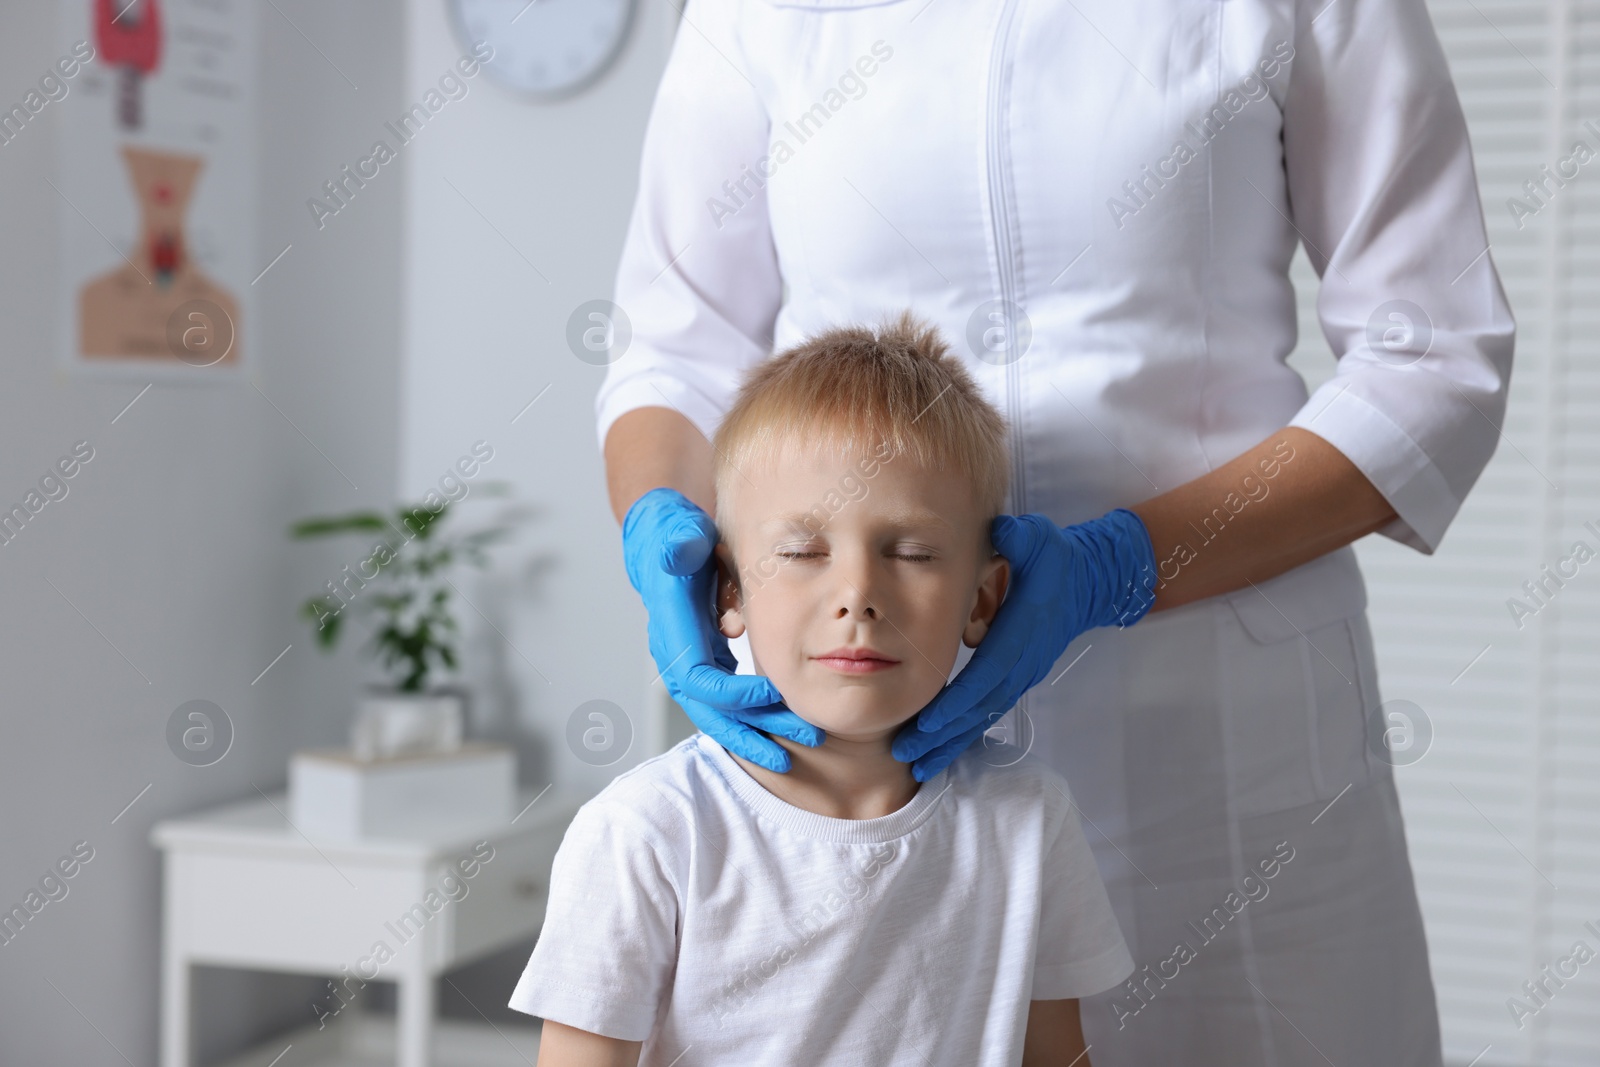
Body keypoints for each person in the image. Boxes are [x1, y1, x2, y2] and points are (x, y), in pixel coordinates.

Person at [598, 1, 1514, 1062]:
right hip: (854, 752)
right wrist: (661, 529)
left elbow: (1430, 355)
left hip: (1225, 726)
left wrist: (1119, 567)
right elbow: (677, 351)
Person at [511, 315, 1135, 1067]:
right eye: (803, 550)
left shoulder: (1028, 818)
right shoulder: (647, 835)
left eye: (910, 551)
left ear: (982, 600)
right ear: (726, 590)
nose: (858, 594)